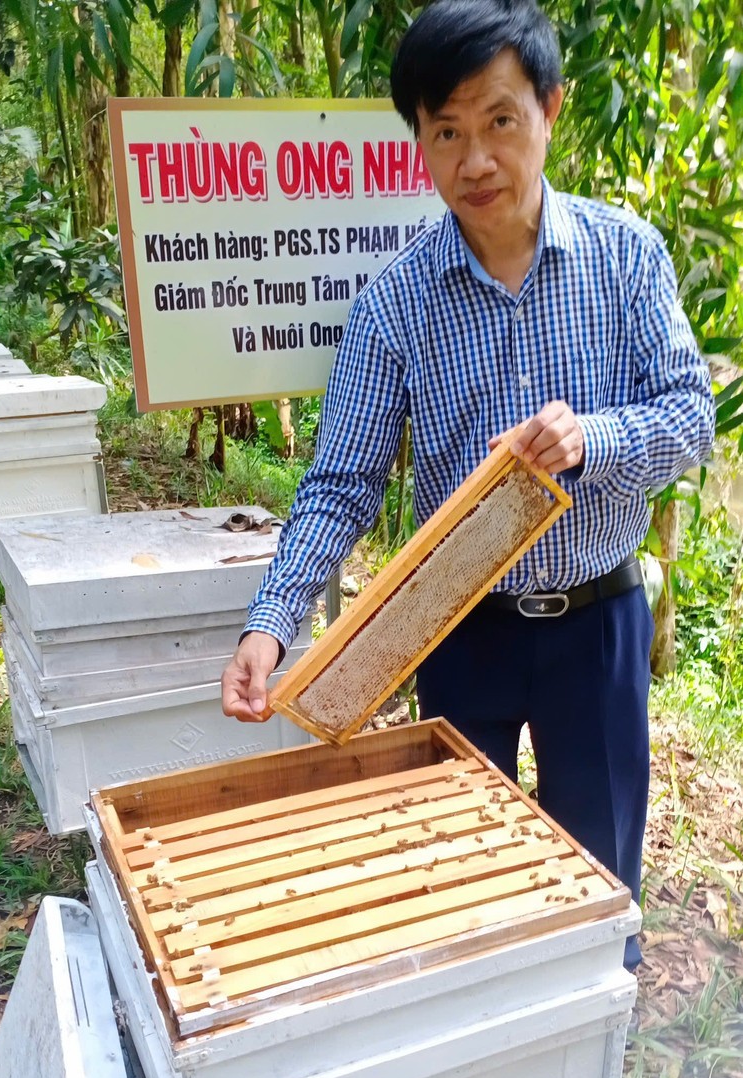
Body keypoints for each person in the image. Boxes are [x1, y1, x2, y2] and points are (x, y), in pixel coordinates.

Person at [221, 0, 715, 970]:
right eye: (445, 131)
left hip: (597, 626)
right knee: (455, 882)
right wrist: (270, 624)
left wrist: (592, 436)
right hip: (456, 626)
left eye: (498, 120)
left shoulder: (625, 257)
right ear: (418, 140)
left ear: (550, 110)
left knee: (596, 886)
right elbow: (341, 483)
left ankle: (589, 1039)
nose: (475, 159)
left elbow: (690, 417)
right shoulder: (395, 302)